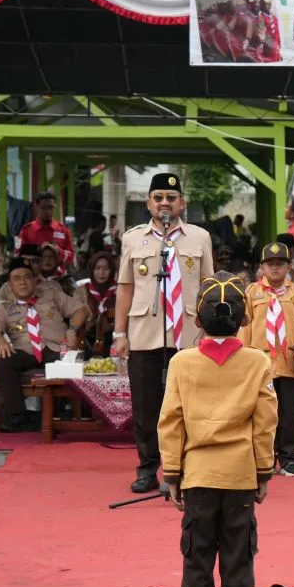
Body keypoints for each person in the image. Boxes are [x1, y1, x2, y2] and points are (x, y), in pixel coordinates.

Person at [157, 273, 277, 587]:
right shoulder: (258, 361)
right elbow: (265, 422)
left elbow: (171, 421)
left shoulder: (182, 362)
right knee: (238, 562)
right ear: (244, 319)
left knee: (197, 562)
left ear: (198, 321)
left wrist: (171, 474)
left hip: (197, 476)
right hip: (240, 476)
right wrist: (263, 472)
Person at [111, 173, 216, 493]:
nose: (164, 203)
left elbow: (209, 287)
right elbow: (125, 288)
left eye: (171, 197)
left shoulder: (199, 238)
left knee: (188, 404)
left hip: (188, 335)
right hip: (145, 332)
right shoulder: (133, 238)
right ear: (149, 203)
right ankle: (147, 467)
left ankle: (184, 467)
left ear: (182, 203)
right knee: (146, 404)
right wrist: (120, 333)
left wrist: (212, 333)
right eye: (158, 197)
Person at [240, 241, 294, 477]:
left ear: (288, 266)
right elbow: (244, 328)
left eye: (280, 264)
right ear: (261, 267)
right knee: (261, 413)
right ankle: (264, 458)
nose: (274, 269)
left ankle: (289, 458)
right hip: (260, 362)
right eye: (269, 264)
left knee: (289, 413)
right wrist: (242, 360)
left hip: (288, 361)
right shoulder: (252, 293)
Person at [0, 258, 88, 432]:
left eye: (27, 277)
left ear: (35, 281)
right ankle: (18, 416)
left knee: (77, 359)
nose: (22, 282)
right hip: (24, 351)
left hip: (56, 348)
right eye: (17, 278)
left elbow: (81, 310)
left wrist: (72, 329)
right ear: (10, 284)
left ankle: (74, 413)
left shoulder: (51, 295)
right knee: (4, 360)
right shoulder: (4, 307)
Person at [18, 191, 75, 269]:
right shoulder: (26, 231)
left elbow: (71, 258)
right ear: (36, 208)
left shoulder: (63, 231)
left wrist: (57, 251)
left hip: (59, 278)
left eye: (50, 207)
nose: (48, 211)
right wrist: (39, 251)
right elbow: (19, 256)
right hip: (34, 277)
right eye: (44, 208)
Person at [85, 251, 118, 355]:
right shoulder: (83, 291)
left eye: (106, 269)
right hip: (88, 343)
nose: (101, 272)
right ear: (92, 270)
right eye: (97, 268)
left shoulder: (120, 291)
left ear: (112, 270)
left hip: (114, 342)